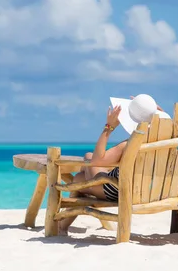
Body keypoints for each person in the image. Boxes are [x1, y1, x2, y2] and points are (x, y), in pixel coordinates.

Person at [57, 95, 165, 235]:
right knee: (80, 178)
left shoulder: (130, 145)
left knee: (87, 160)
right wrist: (153, 111)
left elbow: (96, 160)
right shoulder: (165, 139)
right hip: (144, 190)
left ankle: (62, 226)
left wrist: (109, 127)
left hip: (116, 190)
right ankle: (63, 226)